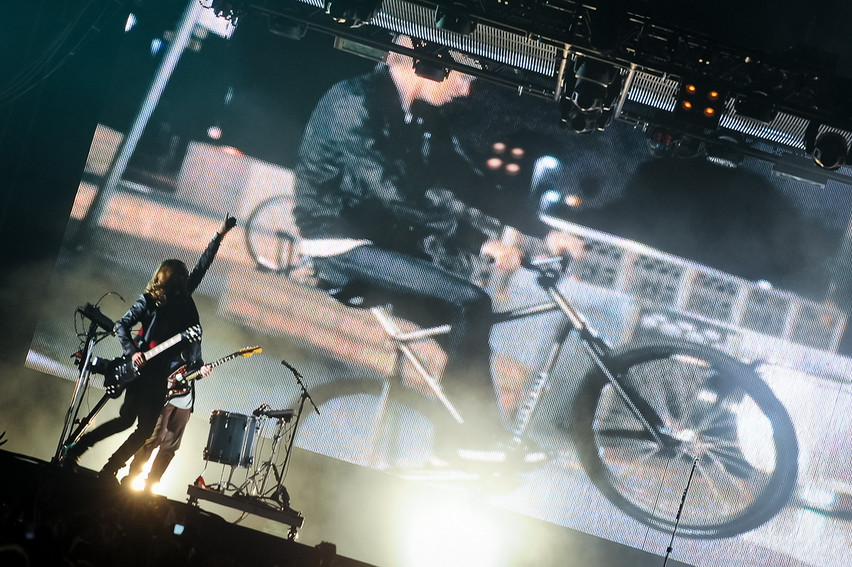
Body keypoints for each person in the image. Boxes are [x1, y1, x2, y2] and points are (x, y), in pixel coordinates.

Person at [292, 37, 583, 460]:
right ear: (426, 64)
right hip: (340, 247)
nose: (465, 90)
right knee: (472, 301)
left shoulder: (417, 118)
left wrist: (543, 230)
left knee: (467, 326)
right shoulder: (353, 102)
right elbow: (393, 192)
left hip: (381, 248)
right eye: (464, 76)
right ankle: (464, 445)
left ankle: (473, 444)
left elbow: (469, 182)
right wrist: (483, 243)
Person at [63, 215, 236, 482]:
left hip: (158, 378)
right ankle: (77, 450)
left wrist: (219, 235)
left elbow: (203, 266)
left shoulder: (184, 300)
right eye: (180, 278)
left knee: (143, 431)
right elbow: (121, 326)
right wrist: (134, 353)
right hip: (138, 371)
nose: (185, 281)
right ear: (167, 280)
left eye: (185, 278)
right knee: (125, 421)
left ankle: (110, 470)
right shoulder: (149, 301)